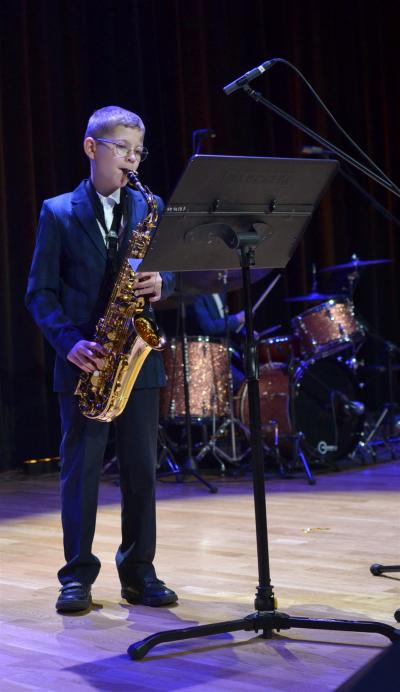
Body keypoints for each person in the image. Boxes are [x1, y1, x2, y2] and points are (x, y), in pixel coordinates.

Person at [25, 105, 177, 612]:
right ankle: (77, 576)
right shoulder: (57, 211)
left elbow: (171, 272)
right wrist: (69, 342)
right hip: (84, 362)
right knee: (81, 472)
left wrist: (163, 281)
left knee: (141, 470)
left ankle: (139, 572)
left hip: (137, 362)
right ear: (92, 147)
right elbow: (39, 293)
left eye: (139, 151)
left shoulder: (149, 207)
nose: (132, 159)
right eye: (122, 149)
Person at [186, 292, 245, 392]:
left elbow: (224, 322)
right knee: (240, 382)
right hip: (206, 353)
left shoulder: (221, 292)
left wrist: (245, 331)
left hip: (227, 348)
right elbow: (208, 327)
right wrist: (236, 319)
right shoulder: (197, 296)